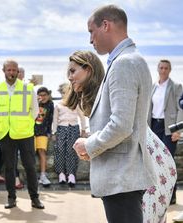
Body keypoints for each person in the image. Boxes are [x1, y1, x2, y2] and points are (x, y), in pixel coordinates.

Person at [66, 50, 176, 223]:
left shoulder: (103, 93)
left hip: (145, 158)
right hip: (142, 157)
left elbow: (119, 128)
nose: (69, 77)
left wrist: (89, 145)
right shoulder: (90, 95)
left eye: (73, 71)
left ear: (88, 69)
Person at [73, 5, 156, 222]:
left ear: (106, 25)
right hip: (124, 175)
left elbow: (121, 125)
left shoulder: (124, 63)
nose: (90, 39)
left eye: (91, 31)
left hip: (122, 176)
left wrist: (89, 145)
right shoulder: (130, 59)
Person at [0, 59, 44, 209]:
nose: (12, 73)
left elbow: (35, 110)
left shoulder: (28, 88)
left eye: (14, 70)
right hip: (5, 133)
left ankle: (35, 198)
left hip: (24, 132)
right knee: (9, 168)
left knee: (30, 166)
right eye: (9, 70)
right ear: (4, 71)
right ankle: (11, 198)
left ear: (18, 72)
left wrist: (25, 123)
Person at [148, 59, 183, 205]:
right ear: (157, 69)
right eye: (161, 67)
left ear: (170, 70)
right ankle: (159, 195)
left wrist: (178, 130)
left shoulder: (176, 86)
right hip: (154, 126)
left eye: (166, 68)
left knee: (168, 163)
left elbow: (181, 109)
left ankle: (172, 195)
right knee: (155, 163)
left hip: (169, 128)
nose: (163, 70)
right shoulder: (153, 86)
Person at [52, 83, 86, 187]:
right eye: (63, 92)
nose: (65, 94)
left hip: (73, 128)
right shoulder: (58, 105)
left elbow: (82, 117)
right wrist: (54, 132)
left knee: (72, 151)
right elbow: (55, 119)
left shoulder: (76, 103)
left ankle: (71, 174)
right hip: (61, 128)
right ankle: (61, 174)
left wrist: (83, 129)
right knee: (60, 150)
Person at [35, 87, 54, 186]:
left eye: (44, 95)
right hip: (32, 131)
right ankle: (33, 176)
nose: (42, 97)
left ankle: (43, 175)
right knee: (30, 153)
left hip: (43, 132)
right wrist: (37, 102)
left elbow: (51, 119)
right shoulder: (35, 103)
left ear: (48, 95)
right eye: (40, 95)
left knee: (42, 152)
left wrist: (50, 132)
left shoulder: (50, 104)